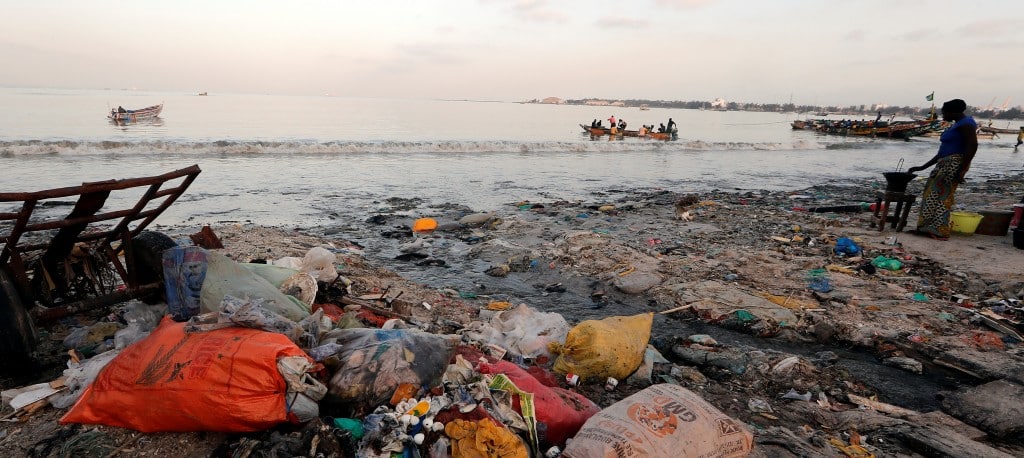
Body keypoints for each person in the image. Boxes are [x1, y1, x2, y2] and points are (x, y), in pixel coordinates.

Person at [906, 99, 978, 240]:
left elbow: (973, 145)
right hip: (943, 163)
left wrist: (963, 169)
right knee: (931, 195)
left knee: (943, 198)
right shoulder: (957, 124)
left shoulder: (967, 124)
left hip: (953, 164)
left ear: (954, 112)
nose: (942, 114)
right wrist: (922, 167)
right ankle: (926, 228)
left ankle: (939, 231)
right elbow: (942, 151)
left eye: (944, 112)